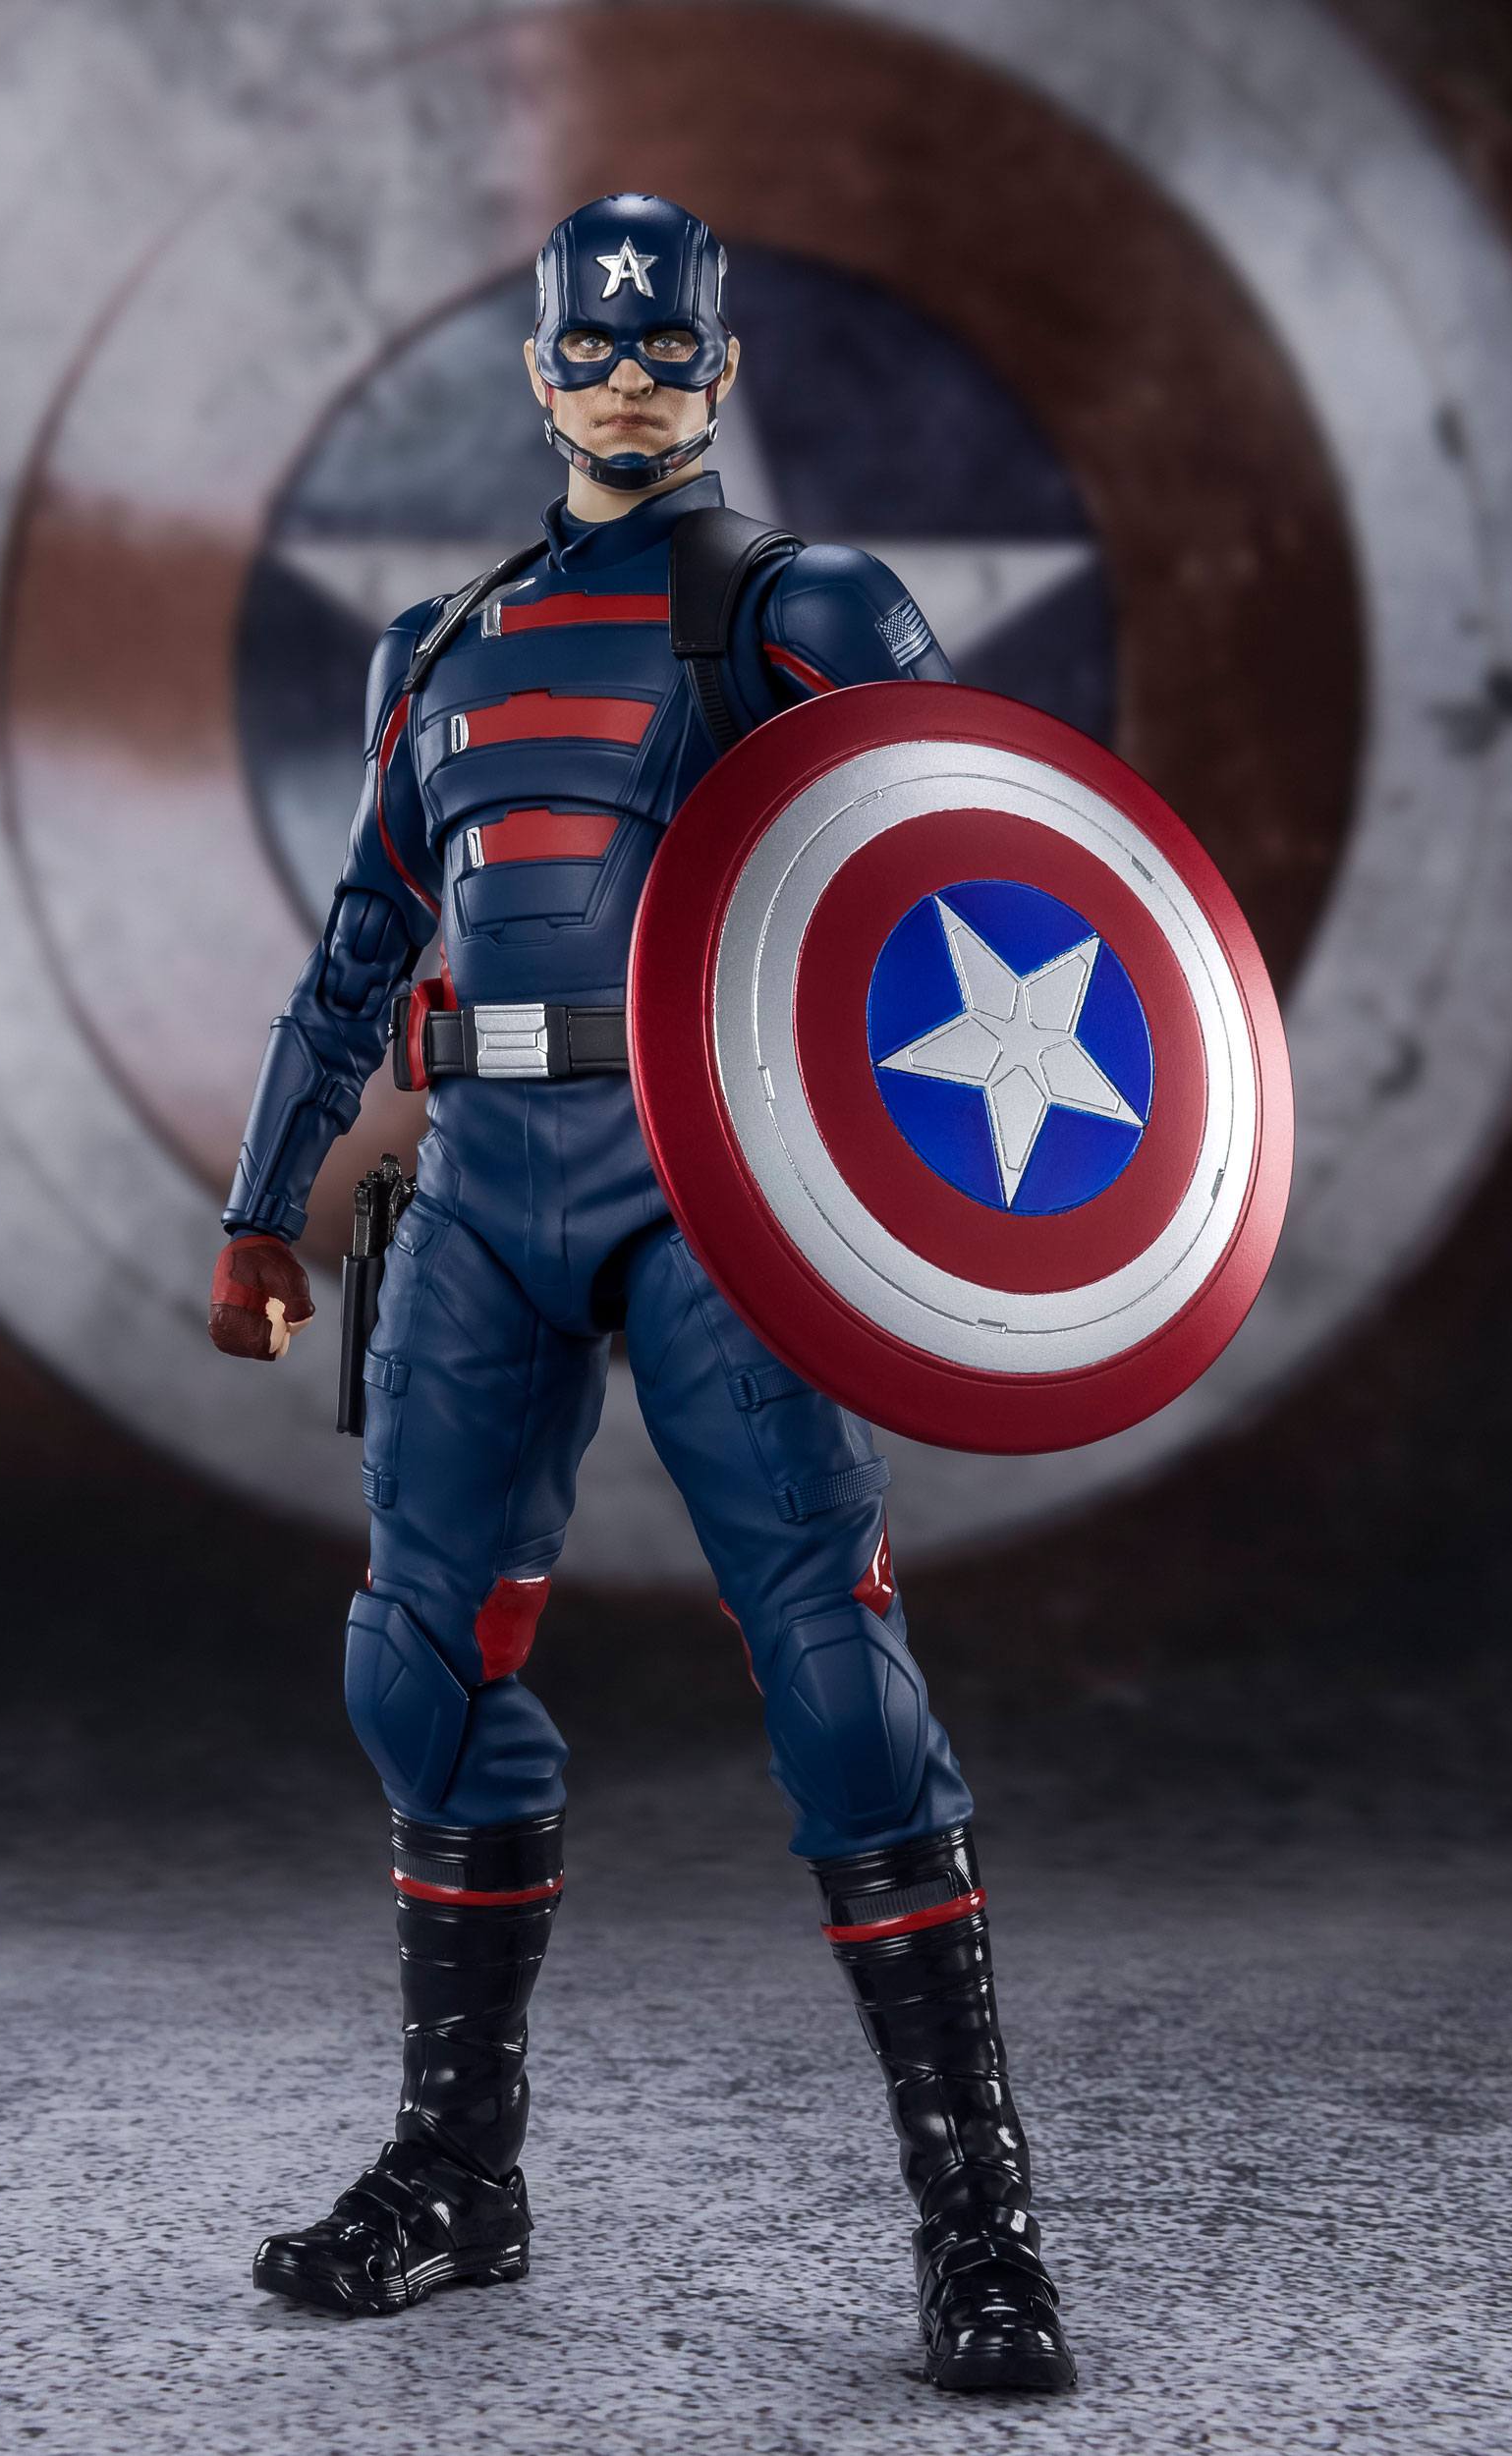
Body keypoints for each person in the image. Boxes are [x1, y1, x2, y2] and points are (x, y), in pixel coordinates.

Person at [207, 192, 1076, 2395]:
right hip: (479, 1188)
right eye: (586, 349)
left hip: (706, 1179)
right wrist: (260, 1206)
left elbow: (970, 877)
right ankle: (456, 2174)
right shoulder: (437, 647)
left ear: (716, 366)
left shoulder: (801, 605)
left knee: (835, 1681)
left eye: (660, 347)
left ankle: (979, 2229)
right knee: (415, 1665)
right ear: (534, 371)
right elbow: (358, 948)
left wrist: (956, 1188)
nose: (621, 378)